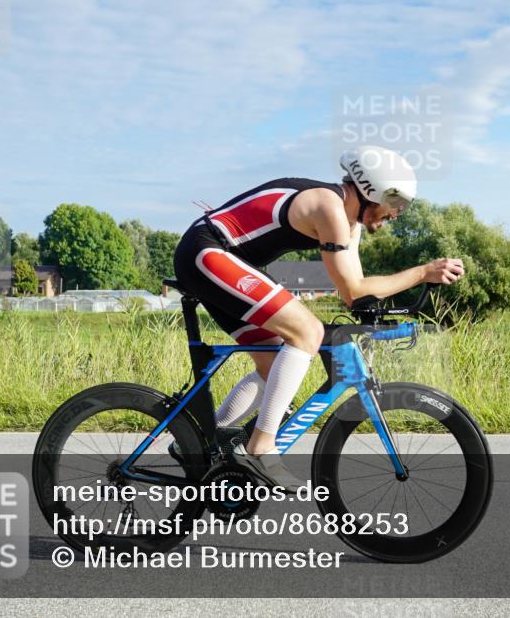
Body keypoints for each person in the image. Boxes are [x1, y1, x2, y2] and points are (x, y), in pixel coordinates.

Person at [172, 145, 465, 488]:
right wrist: (423, 272)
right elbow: (353, 291)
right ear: (370, 191)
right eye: (395, 202)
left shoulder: (348, 223)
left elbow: (356, 292)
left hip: (226, 259)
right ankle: (261, 448)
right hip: (207, 251)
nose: (397, 214)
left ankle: (198, 442)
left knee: (272, 363)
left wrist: (397, 297)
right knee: (307, 333)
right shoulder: (330, 209)